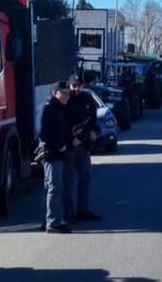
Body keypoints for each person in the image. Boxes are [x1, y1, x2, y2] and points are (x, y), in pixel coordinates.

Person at [64, 73, 101, 223]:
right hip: (70, 145)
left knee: (86, 177)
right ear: (69, 85)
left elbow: (92, 118)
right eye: (74, 85)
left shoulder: (87, 98)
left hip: (84, 145)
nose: (77, 88)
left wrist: (92, 132)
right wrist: (72, 139)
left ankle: (83, 210)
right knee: (68, 180)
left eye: (79, 85)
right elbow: (63, 122)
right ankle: (68, 213)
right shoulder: (66, 100)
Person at [39, 81, 74, 233]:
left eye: (68, 93)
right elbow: (43, 134)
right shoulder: (48, 109)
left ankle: (49, 219)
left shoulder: (60, 108)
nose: (66, 96)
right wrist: (59, 145)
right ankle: (52, 222)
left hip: (60, 153)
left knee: (51, 187)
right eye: (63, 93)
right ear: (55, 93)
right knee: (55, 187)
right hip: (52, 154)